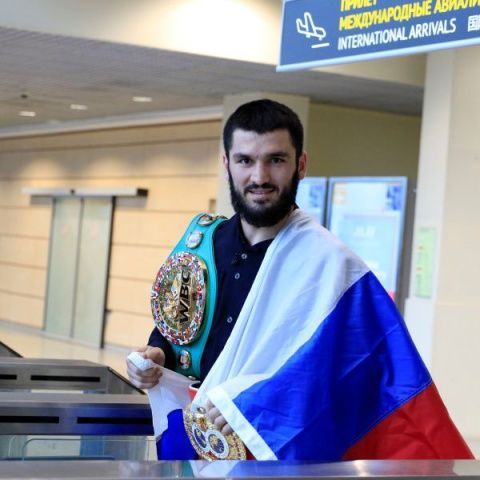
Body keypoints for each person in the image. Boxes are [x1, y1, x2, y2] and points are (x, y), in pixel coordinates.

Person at [127, 99, 473, 461]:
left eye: (276, 160)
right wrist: (157, 354)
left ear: (301, 165)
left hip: (273, 455)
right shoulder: (205, 244)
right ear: (226, 164)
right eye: (245, 160)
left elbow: (350, 376)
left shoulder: (332, 265)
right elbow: (181, 332)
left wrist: (255, 401)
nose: (259, 177)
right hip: (190, 442)